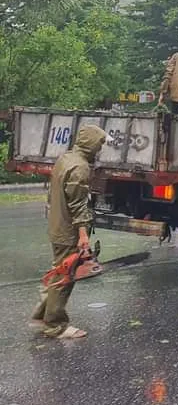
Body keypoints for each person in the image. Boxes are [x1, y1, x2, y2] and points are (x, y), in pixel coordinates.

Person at [31, 125, 107, 339]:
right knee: (65, 277)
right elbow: (78, 205)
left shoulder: (65, 159)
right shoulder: (80, 167)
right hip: (68, 231)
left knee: (58, 270)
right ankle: (56, 325)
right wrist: (83, 236)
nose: (100, 148)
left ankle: (42, 314)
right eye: (99, 143)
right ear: (90, 142)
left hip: (57, 225)